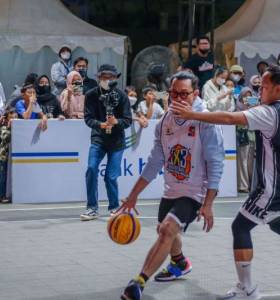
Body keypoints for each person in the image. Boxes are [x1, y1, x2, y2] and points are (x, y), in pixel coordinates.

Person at [171, 65, 280, 298]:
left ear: (278, 89)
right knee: (279, 224)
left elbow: (229, 117)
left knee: (240, 226)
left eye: (265, 87)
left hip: (276, 185)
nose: (260, 91)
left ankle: (247, 288)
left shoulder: (270, 113)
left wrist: (191, 115)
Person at [119, 71, 224, 300]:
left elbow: (216, 164)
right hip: (172, 188)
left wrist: (208, 203)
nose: (177, 98)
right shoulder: (165, 121)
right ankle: (180, 263)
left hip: (195, 191)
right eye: (173, 93)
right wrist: (133, 195)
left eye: (184, 94)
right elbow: (155, 161)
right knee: (164, 231)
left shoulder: (206, 122)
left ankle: (138, 282)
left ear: (195, 94)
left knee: (167, 229)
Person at [81, 64, 132, 220]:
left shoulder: (122, 95)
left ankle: (114, 207)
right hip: (98, 138)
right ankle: (92, 208)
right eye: (104, 77)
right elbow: (88, 119)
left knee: (110, 176)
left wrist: (116, 122)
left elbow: (128, 120)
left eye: (111, 77)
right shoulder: (90, 95)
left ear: (116, 79)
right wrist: (100, 124)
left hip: (117, 141)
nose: (107, 80)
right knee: (91, 169)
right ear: (98, 78)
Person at [236, 87, 258, 193]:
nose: (247, 98)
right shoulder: (237, 106)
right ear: (241, 96)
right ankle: (243, 186)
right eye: (245, 95)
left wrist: (253, 105)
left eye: (249, 96)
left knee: (250, 162)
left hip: (253, 135)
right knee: (242, 161)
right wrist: (246, 107)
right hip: (242, 135)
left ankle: (252, 184)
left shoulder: (255, 106)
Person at [0, 108, 17, 204]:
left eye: (15, 115)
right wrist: (9, 128)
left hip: (14, 158)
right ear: (6, 118)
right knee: (2, 177)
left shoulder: (19, 125)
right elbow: (4, 138)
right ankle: (1, 196)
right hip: (4, 156)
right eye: (11, 115)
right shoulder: (3, 126)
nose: (13, 117)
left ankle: (11, 194)